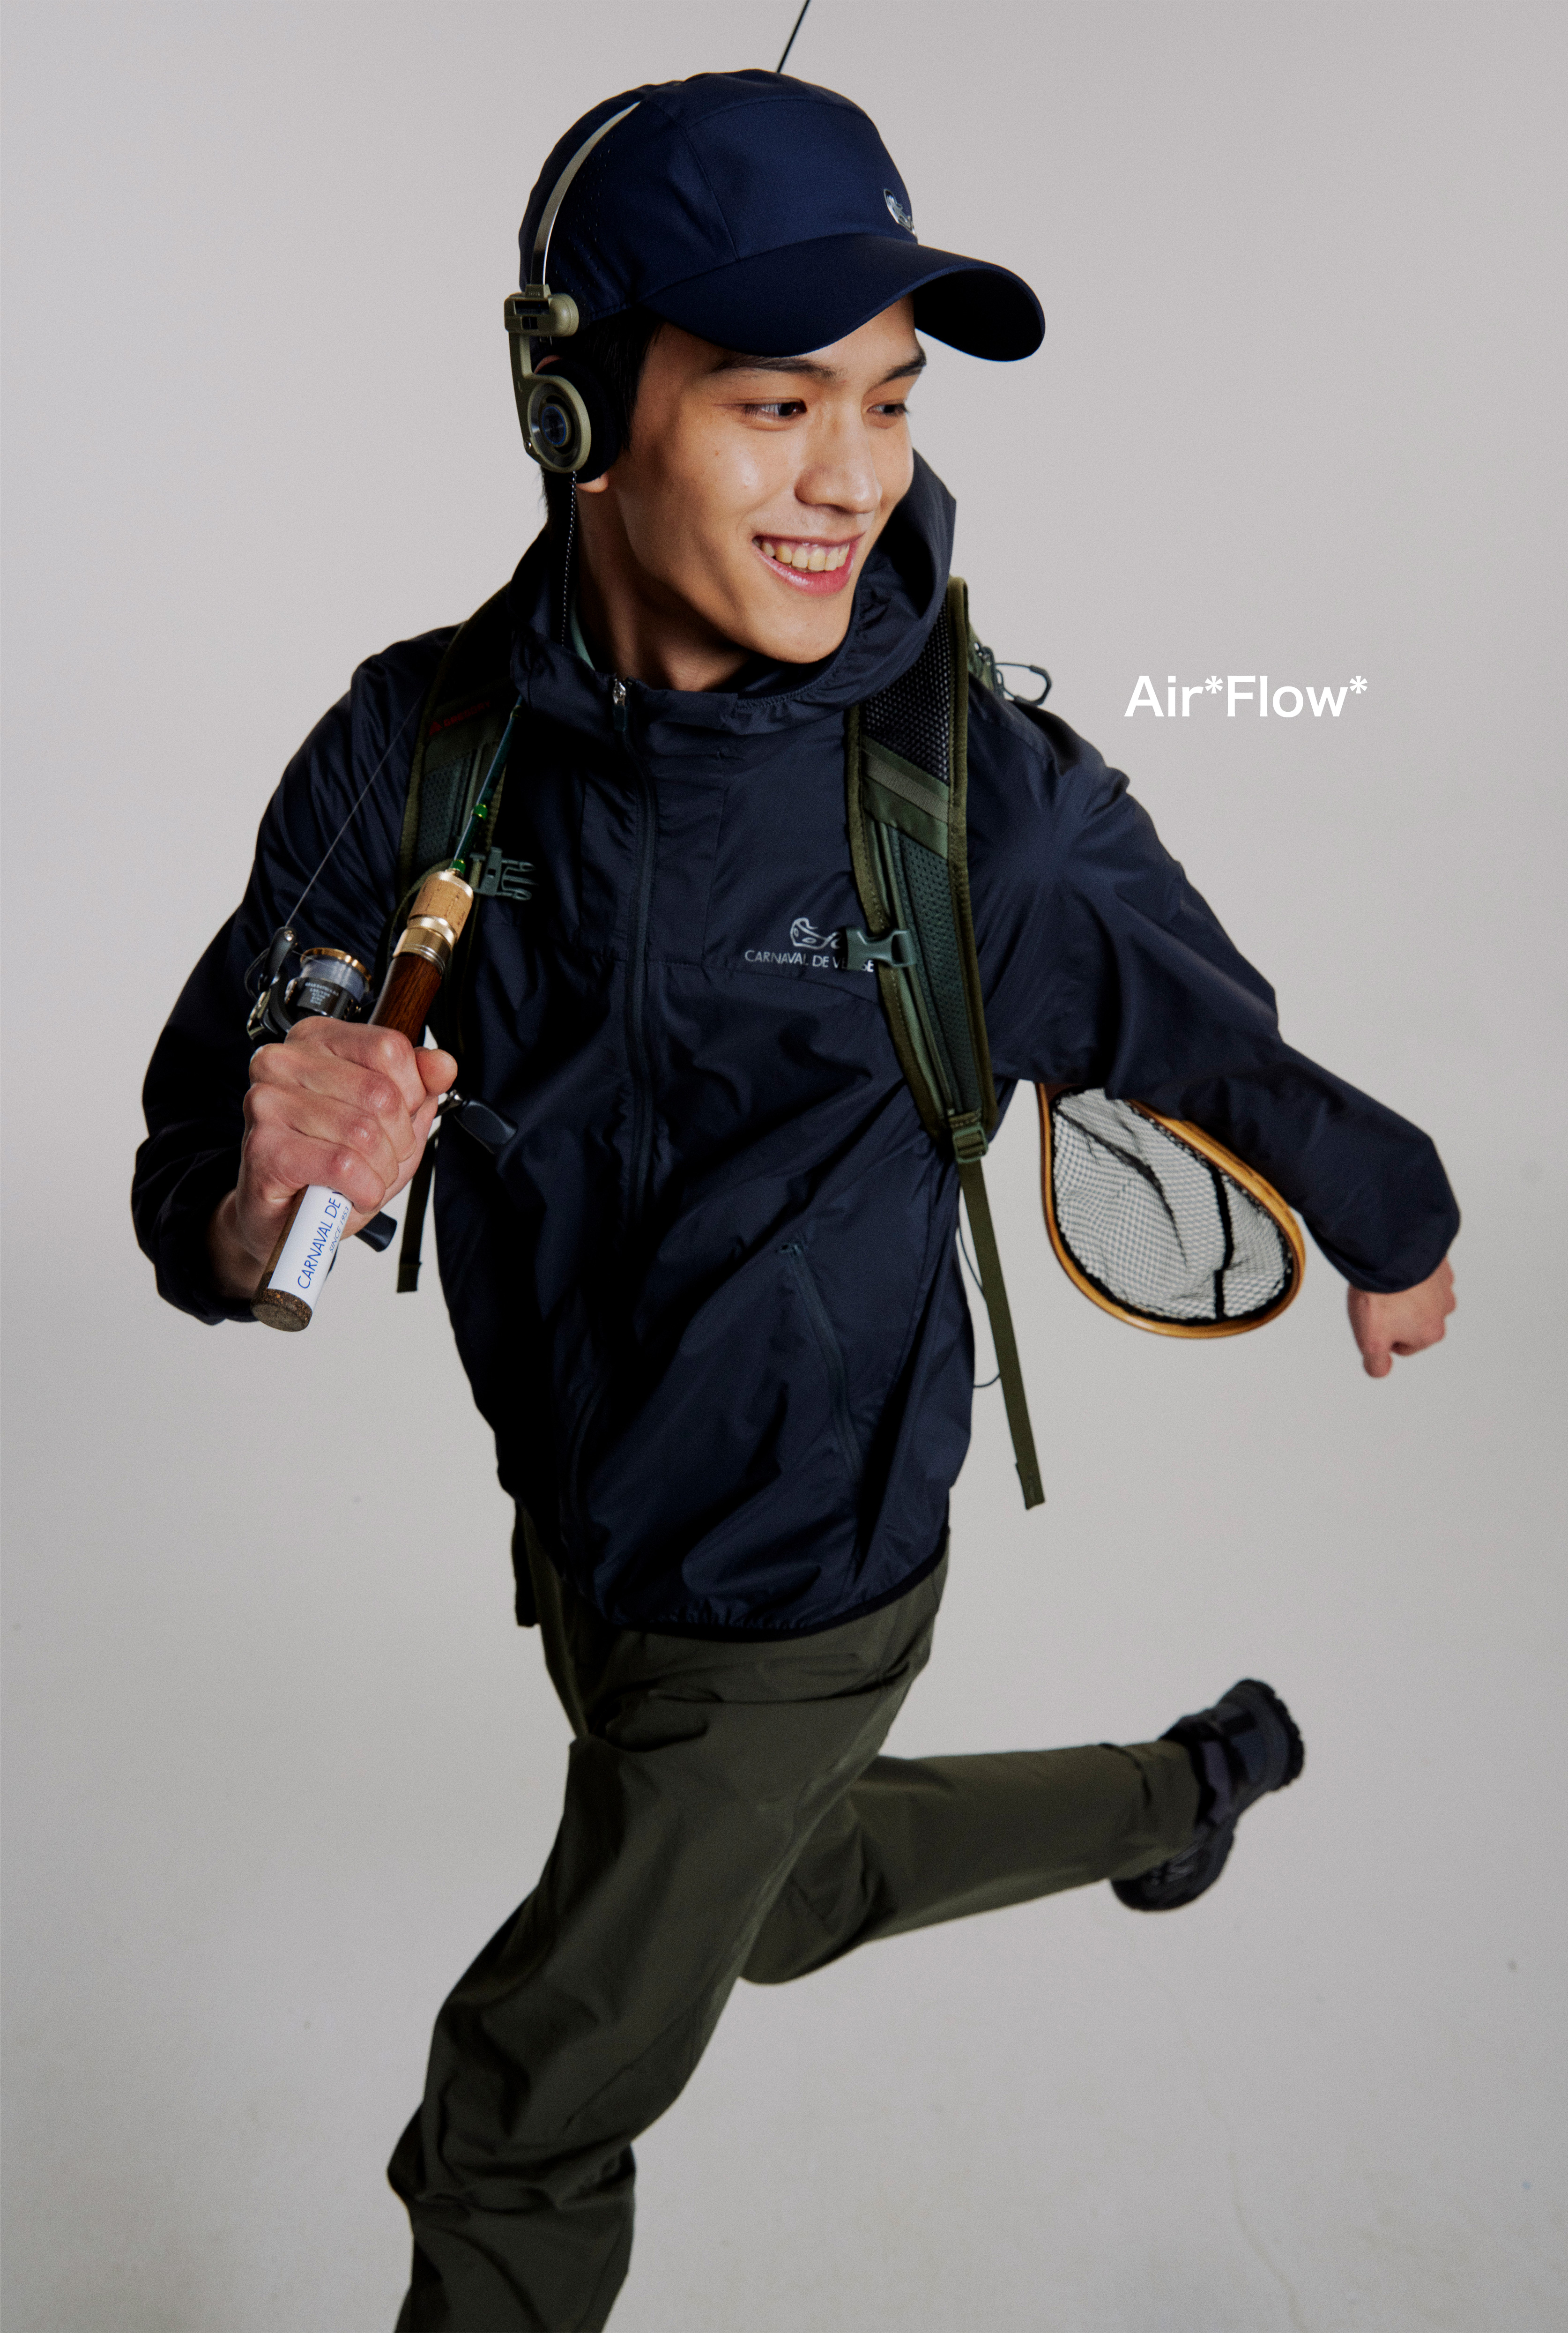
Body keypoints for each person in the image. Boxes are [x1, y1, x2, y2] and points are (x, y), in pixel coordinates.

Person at [133, 69, 1458, 2332]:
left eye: (891, 399)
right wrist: (269, 1198)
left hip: (808, 1568)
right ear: (571, 407)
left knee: (525, 2107)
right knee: (782, 1893)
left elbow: (1214, 1042)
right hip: (584, 1528)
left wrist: (1397, 1216)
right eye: (777, 402)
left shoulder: (977, 815)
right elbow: (206, 1193)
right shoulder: (414, 753)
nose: (858, 476)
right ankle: (1188, 1789)